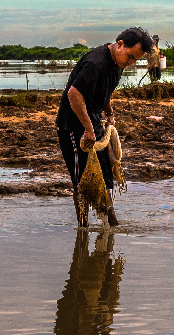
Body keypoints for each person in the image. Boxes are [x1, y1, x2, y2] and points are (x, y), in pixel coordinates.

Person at [57, 27, 155, 226]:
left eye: (135, 60)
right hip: (73, 123)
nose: (130, 63)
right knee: (82, 180)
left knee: (104, 175)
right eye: (130, 57)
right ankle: (83, 228)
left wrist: (109, 112)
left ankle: (111, 223)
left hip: (92, 118)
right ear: (120, 44)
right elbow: (74, 94)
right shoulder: (96, 62)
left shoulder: (118, 63)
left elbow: (105, 91)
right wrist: (88, 129)